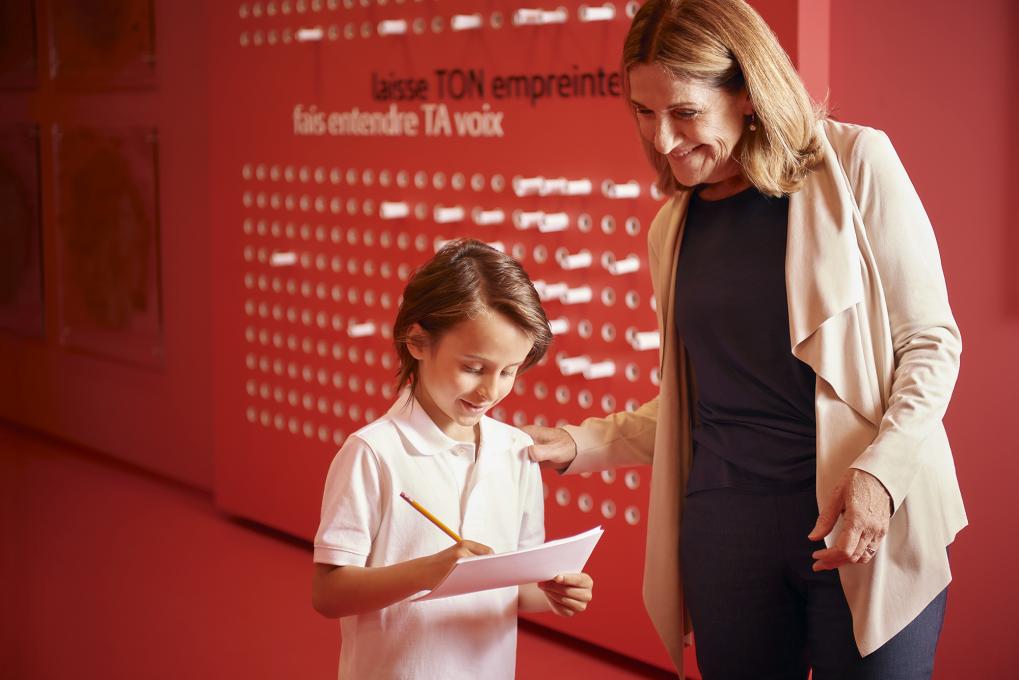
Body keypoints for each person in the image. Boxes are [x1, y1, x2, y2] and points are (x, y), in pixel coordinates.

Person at [524, 1, 966, 678]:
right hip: (725, 538)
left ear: (749, 93)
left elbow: (930, 344)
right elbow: (696, 402)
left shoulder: (855, 164)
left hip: (866, 521)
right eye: (643, 112)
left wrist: (880, 476)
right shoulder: (669, 229)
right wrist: (579, 443)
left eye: (683, 112)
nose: (663, 139)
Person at [311, 239, 595, 679]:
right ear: (418, 342)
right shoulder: (373, 452)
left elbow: (515, 589)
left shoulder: (516, 451)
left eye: (509, 371)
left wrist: (554, 592)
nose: (491, 390)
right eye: (474, 367)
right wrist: (433, 569)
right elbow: (329, 593)